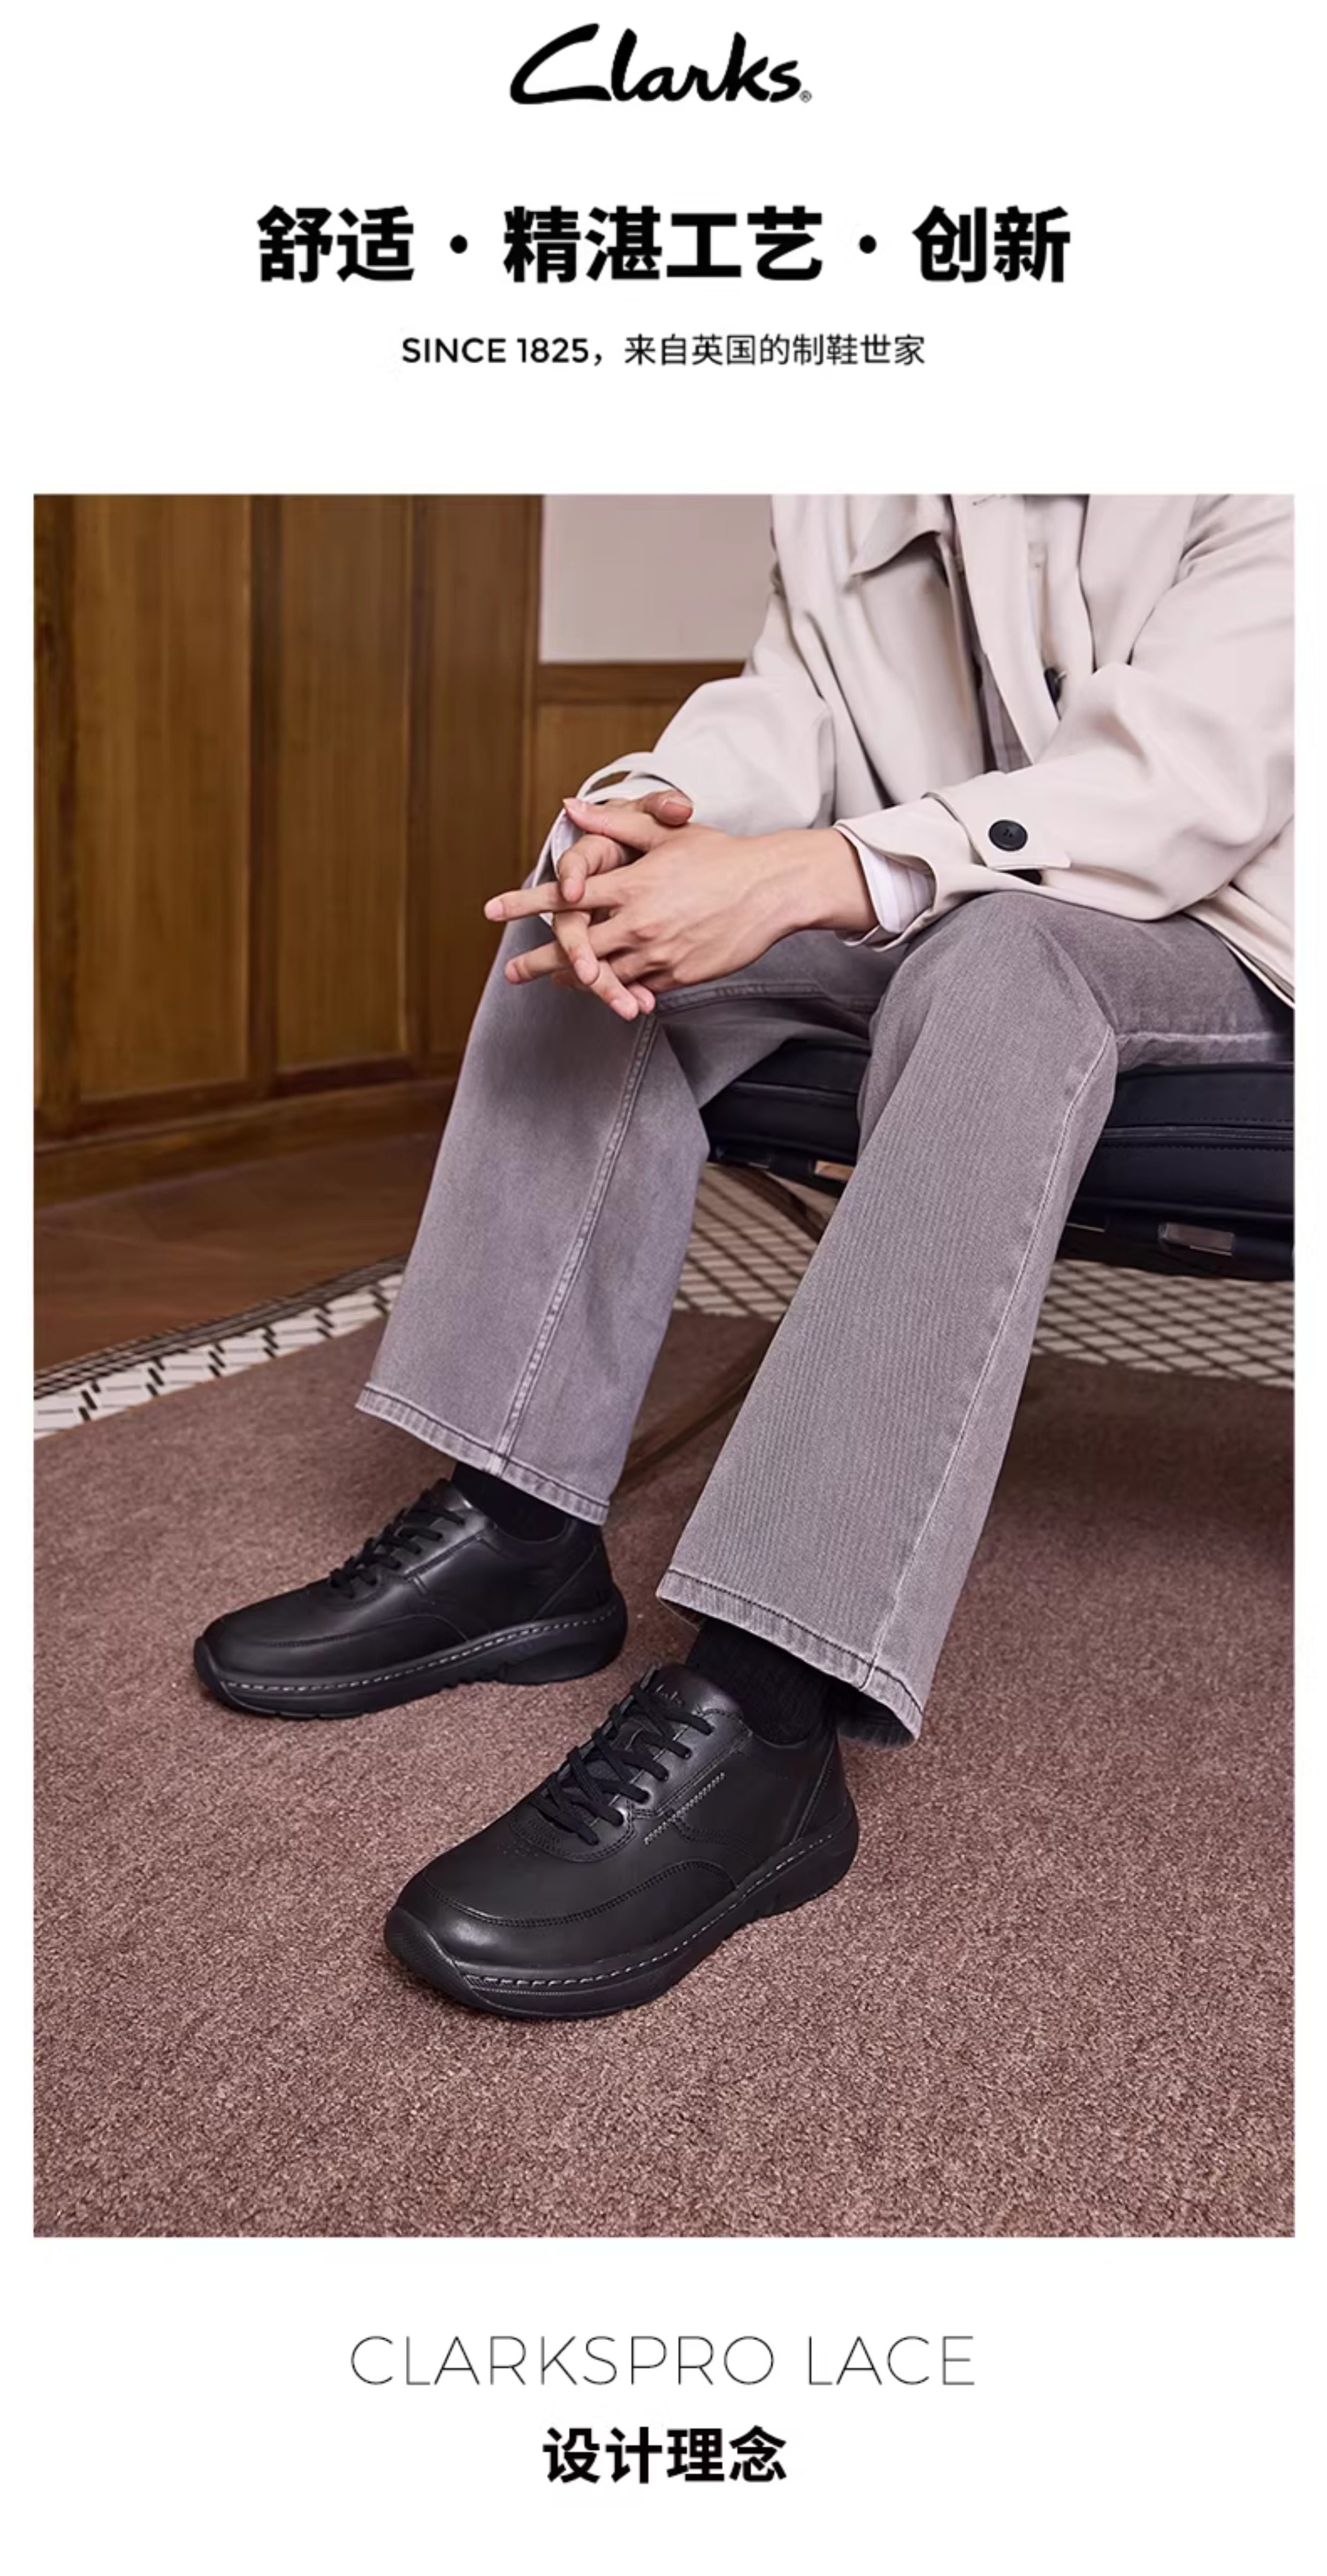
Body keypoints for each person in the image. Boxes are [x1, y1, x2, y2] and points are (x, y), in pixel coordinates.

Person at [195, 495, 1294, 2020]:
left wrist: (803, 873)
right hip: (929, 891)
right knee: (599, 911)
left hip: (1235, 935)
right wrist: (652, 815)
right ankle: (517, 1530)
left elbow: (1189, 785)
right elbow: (796, 702)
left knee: (1009, 962)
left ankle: (773, 1714)